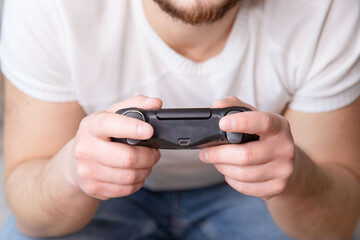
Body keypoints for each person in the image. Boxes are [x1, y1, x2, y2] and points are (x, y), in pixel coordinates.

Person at [0, 0, 359, 239]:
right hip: (102, 197)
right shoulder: (47, 8)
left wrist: (295, 179)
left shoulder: (330, 10)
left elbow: (337, 225)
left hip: (256, 195)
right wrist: (71, 173)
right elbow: (33, 217)